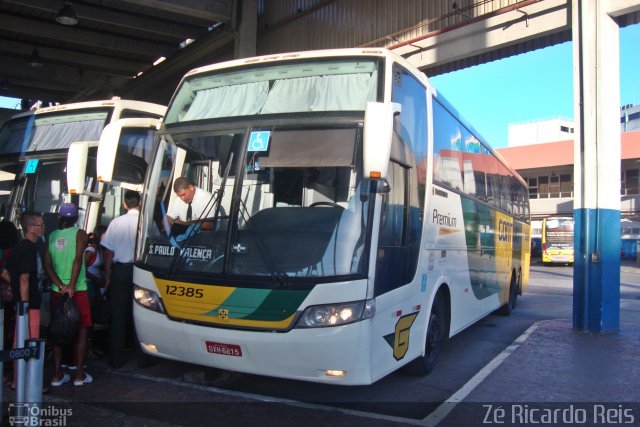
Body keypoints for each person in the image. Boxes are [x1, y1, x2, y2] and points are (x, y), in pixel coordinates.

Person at [101, 190, 154, 369]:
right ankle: (144, 358)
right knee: (142, 313)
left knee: (118, 315)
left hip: (121, 271)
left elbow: (108, 251)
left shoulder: (116, 222)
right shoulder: (147, 222)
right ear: (139, 202)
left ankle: (116, 358)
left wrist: (107, 276)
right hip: (142, 271)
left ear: (125, 204)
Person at [44, 202, 92, 387]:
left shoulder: (51, 236)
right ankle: (79, 375)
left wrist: (61, 285)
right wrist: (71, 285)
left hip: (58, 292)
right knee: (81, 331)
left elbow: (47, 265)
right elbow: (78, 258)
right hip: (78, 290)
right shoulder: (80, 234)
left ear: (59, 217)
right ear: (76, 218)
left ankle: (56, 375)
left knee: (57, 331)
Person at [1, 213, 45, 389]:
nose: (43, 227)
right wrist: (25, 304)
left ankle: (18, 379)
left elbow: (5, 272)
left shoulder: (20, 247)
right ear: (30, 228)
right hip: (29, 305)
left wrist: (13, 287)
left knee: (20, 340)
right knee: (30, 342)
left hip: (23, 303)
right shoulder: (28, 248)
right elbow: (24, 278)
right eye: (41, 225)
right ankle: (26, 382)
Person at [84, 225, 107, 358]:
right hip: (89, 285)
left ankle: (90, 346)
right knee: (88, 318)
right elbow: (81, 267)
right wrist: (96, 279)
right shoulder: (91, 250)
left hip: (97, 286)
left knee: (92, 318)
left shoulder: (101, 250)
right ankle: (87, 347)